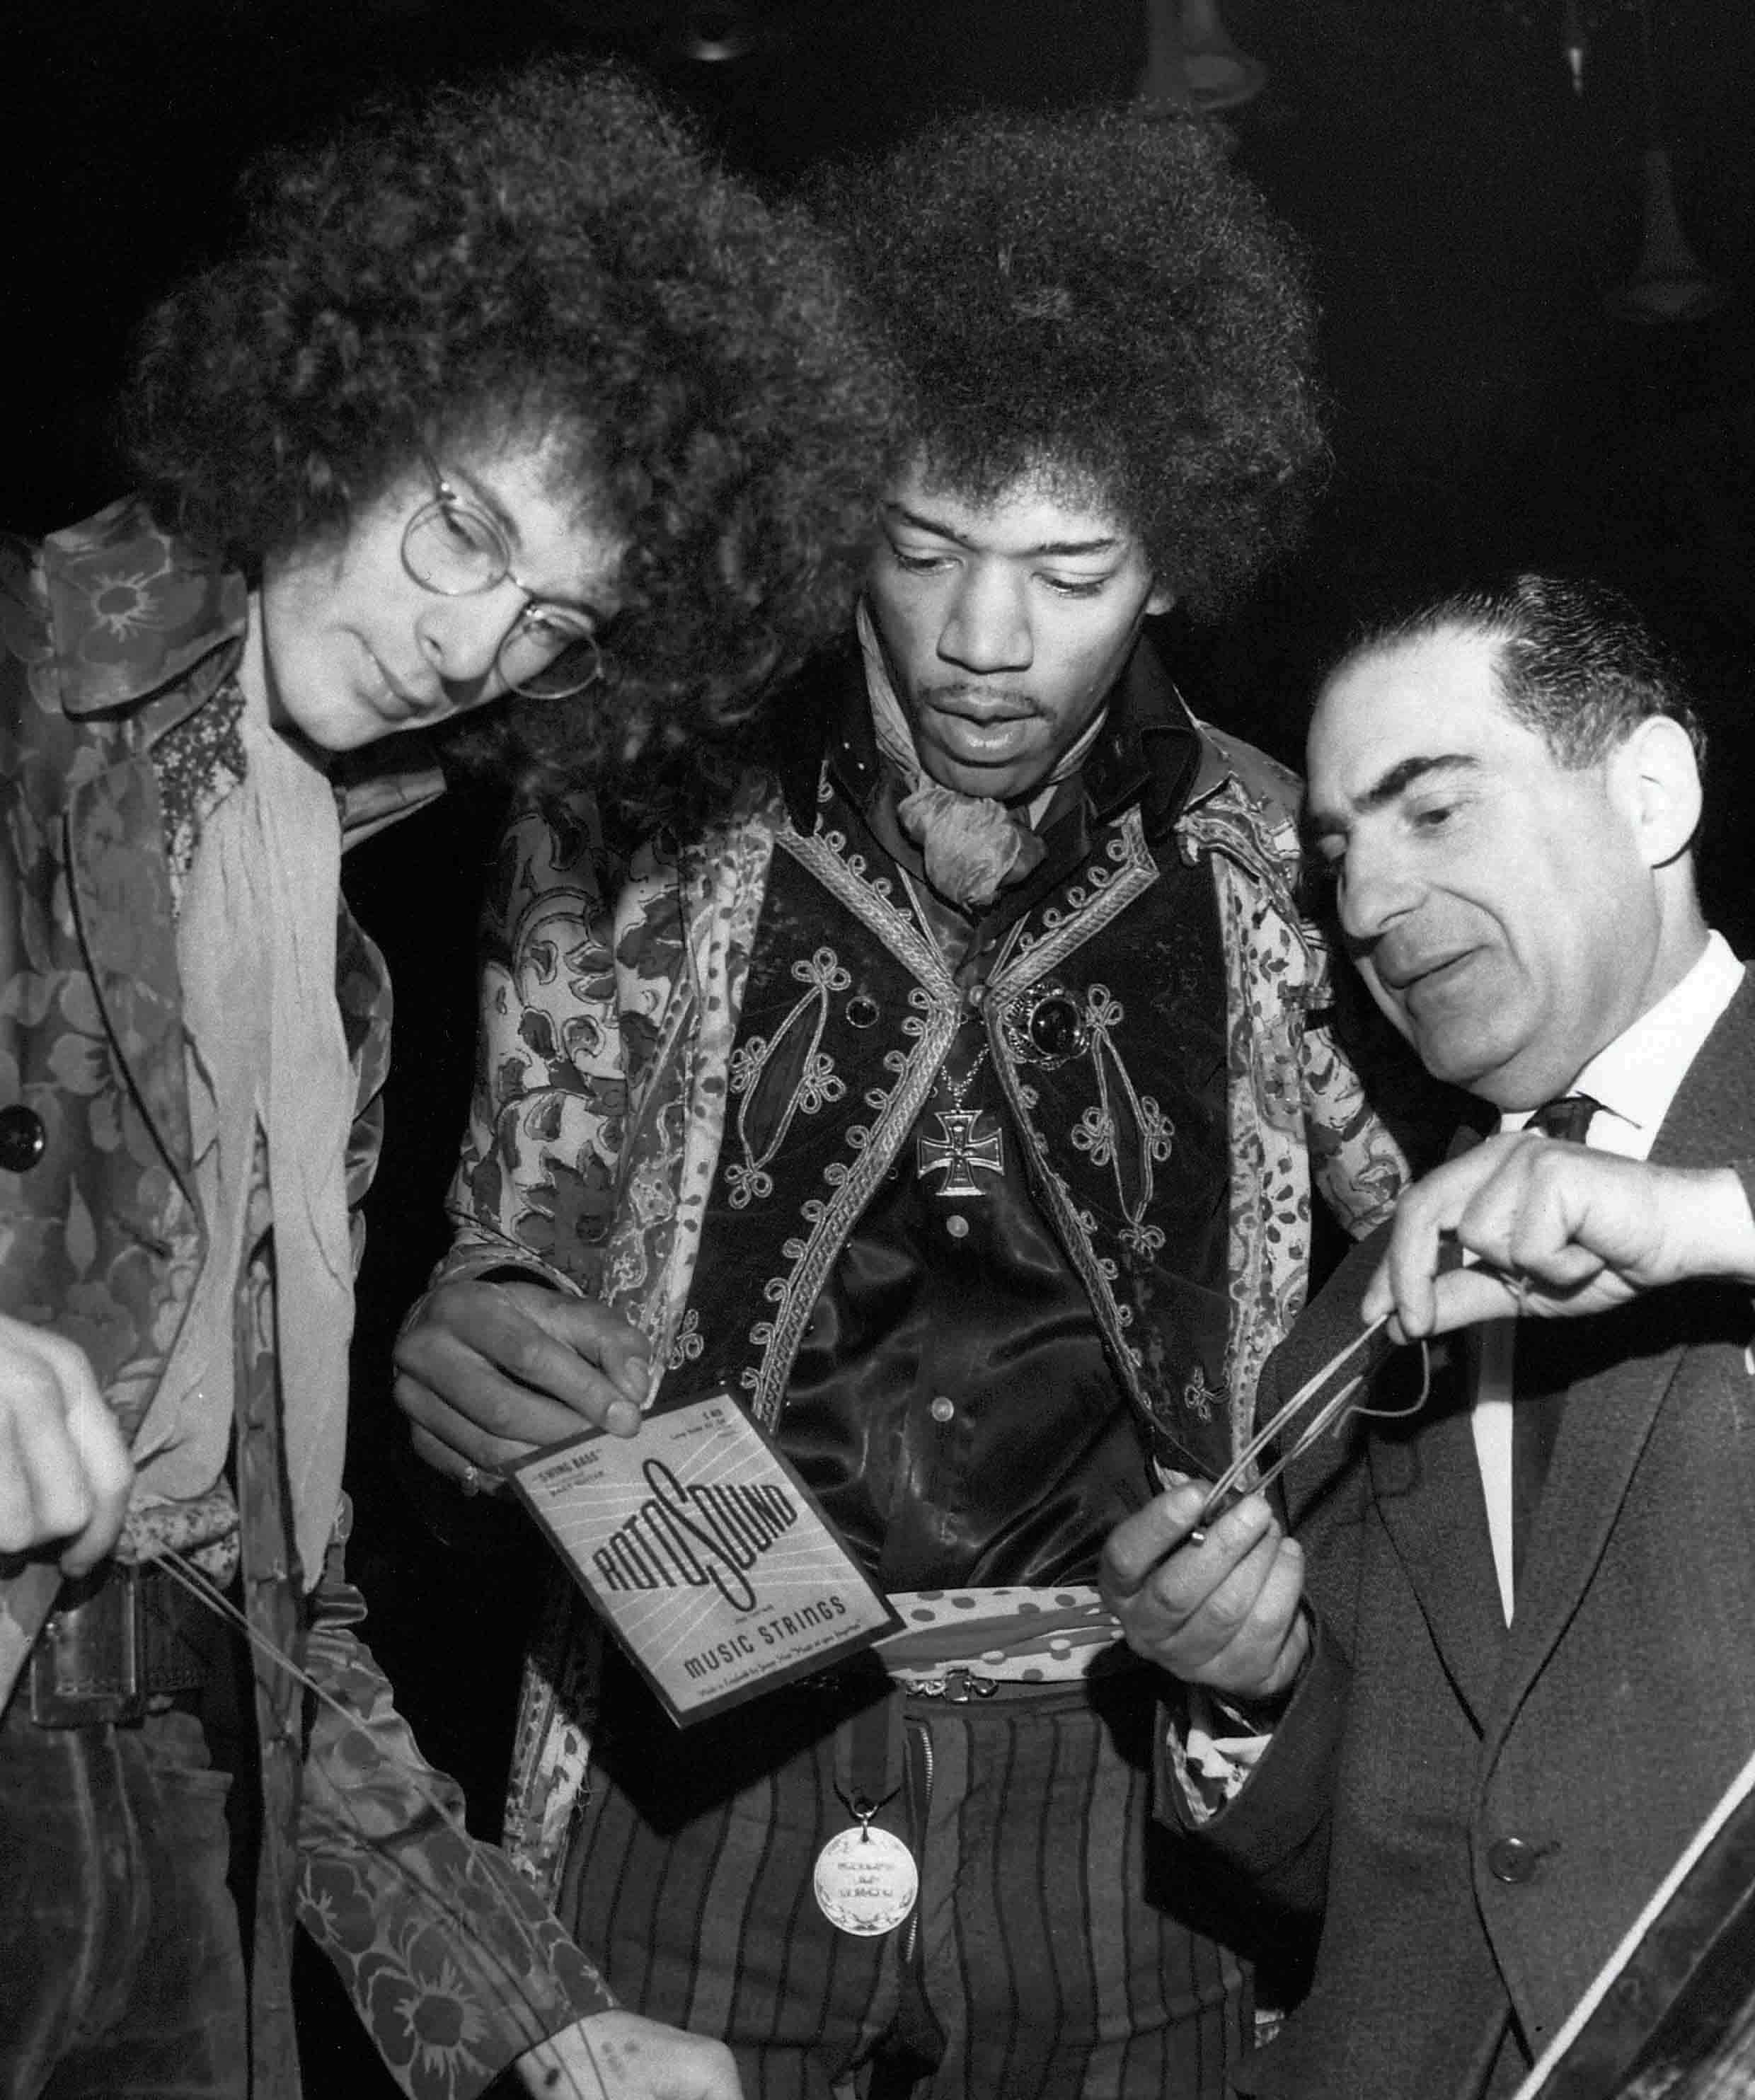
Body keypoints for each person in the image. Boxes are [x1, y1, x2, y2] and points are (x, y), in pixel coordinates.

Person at [394, 105, 1415, 2099]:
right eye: (925, 547)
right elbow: (508, 1244)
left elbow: (1439, 1299)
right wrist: (469, 1357)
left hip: (1118, 1805)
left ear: (1177, 558)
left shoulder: (1281, 866)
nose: (981, 640)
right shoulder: (631, 821)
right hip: (686, 1780)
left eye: (1069, 569)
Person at [0, 59, 897, 2100]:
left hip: (171, 1856)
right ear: (339, 397)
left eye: (554, 617)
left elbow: (278, 1617)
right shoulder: (16, 682)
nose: (472, 643)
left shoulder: (340, 970)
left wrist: (540, 2014)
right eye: (464, 526)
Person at [1101, 572, 1755, 2099]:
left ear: (1651, 791)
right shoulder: (1361, 1317)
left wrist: (1708, 1222)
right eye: (1337, 858)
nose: (1367, 911)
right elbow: (1373, 1863)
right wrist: (1247, 1683)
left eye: (1436, 812)